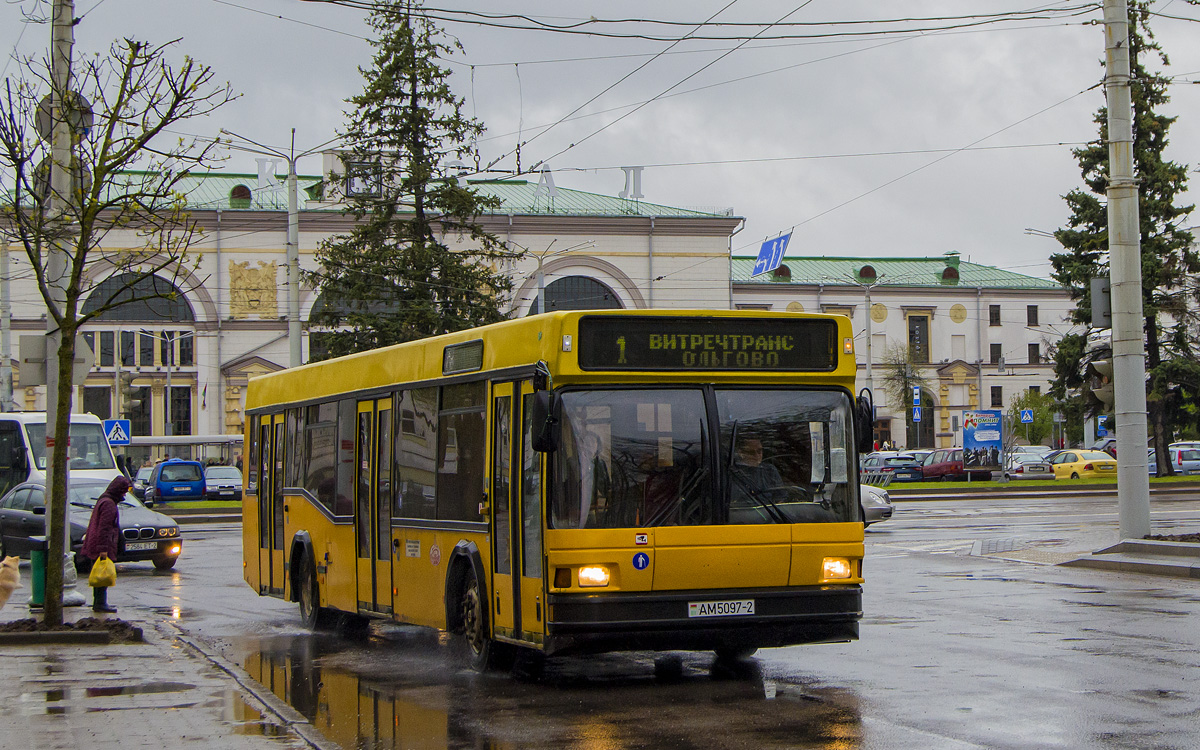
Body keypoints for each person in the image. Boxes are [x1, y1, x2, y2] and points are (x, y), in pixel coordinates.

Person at [80, 475, 130, 613]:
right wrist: (103, 549)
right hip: (101, 545)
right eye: (124, 491)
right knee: (102, 574)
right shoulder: (109, 504)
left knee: (99, 574)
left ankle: (99, 602)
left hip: (94, 543)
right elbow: (105, 528)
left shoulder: (103, 500)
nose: (125, 494)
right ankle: (100, 603)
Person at [730, 437, 785, 502]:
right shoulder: (732, 472)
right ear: (741, 453)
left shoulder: (770, 470)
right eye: (751, 452)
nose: (756, 455)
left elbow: (781, 497)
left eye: (759, 451)